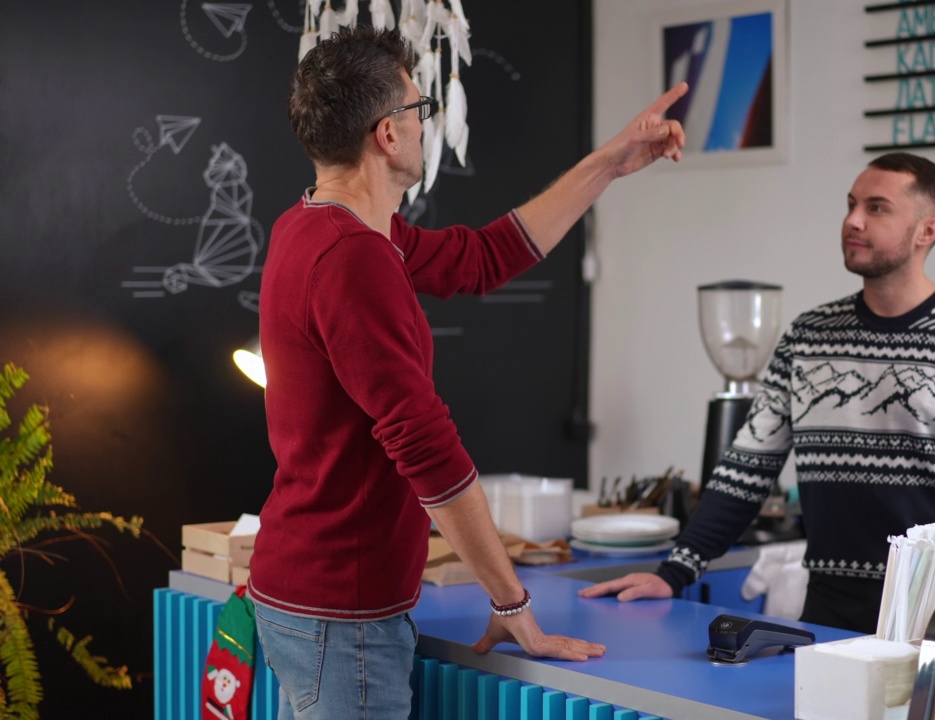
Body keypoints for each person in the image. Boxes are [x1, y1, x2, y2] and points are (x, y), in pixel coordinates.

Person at [247, 26, 686, 718]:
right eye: (420, 110)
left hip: (311, 592)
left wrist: (608, 163)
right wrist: (511, 599)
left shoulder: (318, 228)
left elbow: (483, 256)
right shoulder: (352, 258)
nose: (426, 126)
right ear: (388, 133)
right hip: (343, 609)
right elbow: (428, 451)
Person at [580, 152, 935, 634]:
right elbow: (745, 470)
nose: (853, 221)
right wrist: (675, 572)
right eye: (851, 204)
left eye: (877, 208)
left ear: (928, 230)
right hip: (827, 616)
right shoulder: (808, 336)